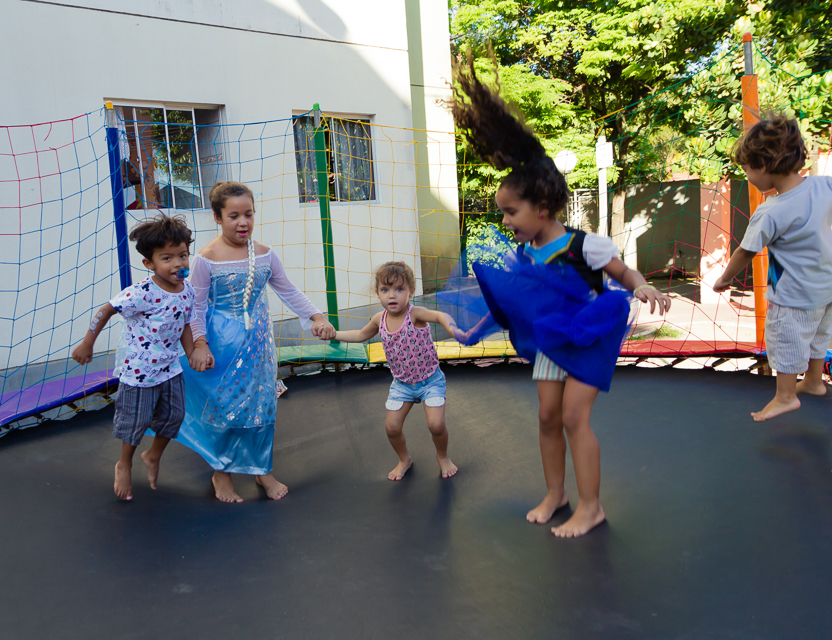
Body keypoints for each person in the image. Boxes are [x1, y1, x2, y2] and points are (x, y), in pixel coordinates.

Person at [446, 62, 671, 538]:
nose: (506, 222)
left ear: (542, 208)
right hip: (551, 341)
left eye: (512, 212)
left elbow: (621, 271)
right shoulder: (528, 251)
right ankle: (556, 493)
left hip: (588, 335)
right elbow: (516, 303)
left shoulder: (581, 244)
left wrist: (642, 285)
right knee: (548, 417)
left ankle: (591, 506)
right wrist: (476, 329)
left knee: (573, 417)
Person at [180, 181, 336, 502]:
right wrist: (199, 344)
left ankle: (262, 470)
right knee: (225, 411)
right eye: (233, 215)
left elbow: (289, 290)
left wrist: (316, 317)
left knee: (262, 407)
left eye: (248, 214)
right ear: (217, 217)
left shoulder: (264, 255)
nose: (243, 222)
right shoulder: (205, 259)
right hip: (220, 349)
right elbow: (194, 307)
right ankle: (221, 474)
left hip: (258, 346)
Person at [714, 115, 832, 421]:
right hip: (828, 287)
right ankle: (816, 382)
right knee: (820, 336)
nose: (748, 177)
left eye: (747, 170)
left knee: (787, 341)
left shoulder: (771, 211)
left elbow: (745, 252)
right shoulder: (825, 185)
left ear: (764, 165)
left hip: (794, 296)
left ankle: (785, 396)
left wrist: (725, 279)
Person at [72, 214, 197, 500]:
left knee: (174, 417)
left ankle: (152, 455)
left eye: (183, 255)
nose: (178, 263)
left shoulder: (187, 290)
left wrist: (190, 352)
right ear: (149, 264)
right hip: (140, 372)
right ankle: (124, 463)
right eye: (167, 258)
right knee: (135, 423)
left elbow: (185, 323)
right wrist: (87, 343)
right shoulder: (143, 292)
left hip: (169, 368)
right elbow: (107, 309)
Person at [322, 261, 460, 481]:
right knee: (392, 427)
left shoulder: (415, 314)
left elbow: (440, 317)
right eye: (385, 290)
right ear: (377, 293)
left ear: (411, 291)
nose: (392, 296)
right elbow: (360, 335)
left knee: (436, 424)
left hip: (430, 381)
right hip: (402, 385)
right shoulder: (380, 319)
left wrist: (453, 328)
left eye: (399, 289)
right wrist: (334, 335)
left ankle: (443, 457)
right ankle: (404, 459)